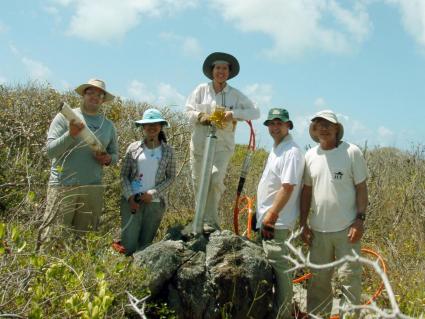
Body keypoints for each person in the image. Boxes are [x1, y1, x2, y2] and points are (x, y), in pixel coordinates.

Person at [300, 110, 368, 318]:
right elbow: (306, 192)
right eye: (319, 124)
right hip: (318, 232)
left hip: (347, 230)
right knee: (318, 283)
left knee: (349, 281)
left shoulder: (351, 152)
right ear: (314, 130)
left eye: (328, 124)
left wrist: (360, 219)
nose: (324, 127)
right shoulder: (310, 156)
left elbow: (361, 188)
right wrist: (303, 223)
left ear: (337, 128)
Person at [185, 52, 260, 231]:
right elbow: (187, 111)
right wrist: (200, 116)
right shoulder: (200, 90)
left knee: (215, 178)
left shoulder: (235, 95)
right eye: (218, 68)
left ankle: (211, 221)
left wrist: (233, 114)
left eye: (225, 68)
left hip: (222, 145)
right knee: (199, 181)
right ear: (212, 71)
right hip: (200, 144)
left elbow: (255, 112)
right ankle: (199, 219)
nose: (221, 71)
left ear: (229, 72)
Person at [42, 78, 118, 239]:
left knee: (84, 241)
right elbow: (49, 151)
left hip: (92, 188)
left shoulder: (109, 126)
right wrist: (70, 135)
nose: (95, 97)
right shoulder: (65, 117)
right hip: (63, 186)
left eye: (100, 95)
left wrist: (107, 159)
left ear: (103, 100)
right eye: (91, 92)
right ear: (84, 94)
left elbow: (115, 156)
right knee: (54, 239)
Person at [256, 108, 304, 319]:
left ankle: (283, 314)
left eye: (279, 123)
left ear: (288, 125)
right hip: (267, 219)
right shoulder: (277, 148)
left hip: (277, 222)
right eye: (271, 124)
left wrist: (271, 216)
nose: (275, 127)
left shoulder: (291, 151)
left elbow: (287, 187)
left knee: (280, 270)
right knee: (272, 269)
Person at [119, 108, 176, 255]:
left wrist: (153, 193)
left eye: (155, 123)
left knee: (145, 247)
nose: (152, 127)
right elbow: (124, 175)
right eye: (148, 124)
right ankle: (125, 275)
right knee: (128, 245)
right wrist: (130, 197)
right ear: (143, 127)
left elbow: (171, 177)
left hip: (155, 205)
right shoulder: (133, 148)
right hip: (132, 203)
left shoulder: (168, 151)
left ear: (161, 126)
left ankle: (139, 276)